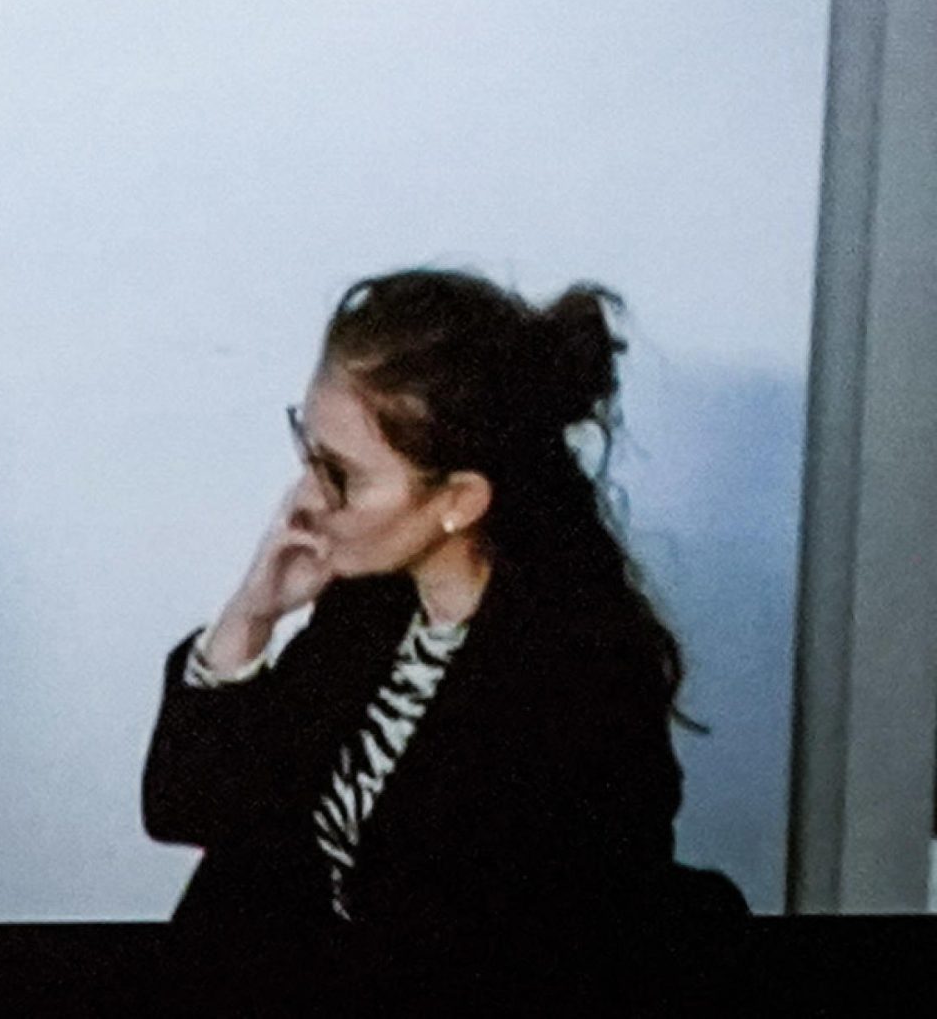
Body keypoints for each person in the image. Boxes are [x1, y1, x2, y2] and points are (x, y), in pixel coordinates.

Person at [140, 268, 736, 925]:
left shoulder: (579, 692)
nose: (304, 497)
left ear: (459, 500)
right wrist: (251, 616)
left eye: (340, 474)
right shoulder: (373, 605)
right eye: (308, 450)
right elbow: (186, 806)